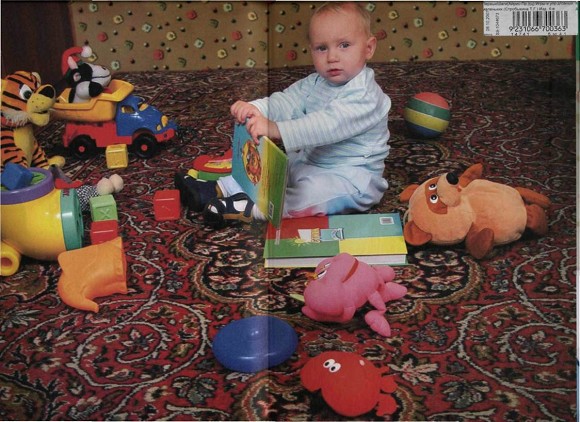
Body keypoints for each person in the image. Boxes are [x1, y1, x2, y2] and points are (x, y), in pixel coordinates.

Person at [175, 1, 391, 228]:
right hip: (309, 162)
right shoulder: (315, 82)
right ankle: (219, 188)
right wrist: (257, 108)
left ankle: (253, 209)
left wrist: (276, 129)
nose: (332, 57)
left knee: (311, 193)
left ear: (368, 48)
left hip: (351, 178)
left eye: (344, 45)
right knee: (273, 169)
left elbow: (328, 125)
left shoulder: (366, 95)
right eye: (321, 48)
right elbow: (287, 100)